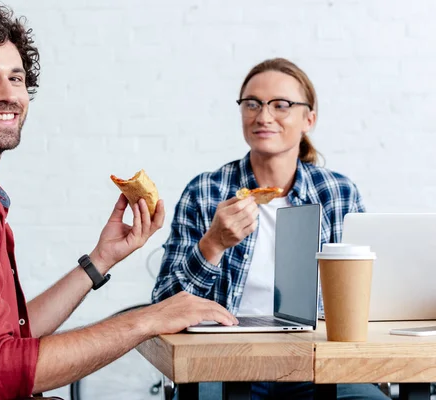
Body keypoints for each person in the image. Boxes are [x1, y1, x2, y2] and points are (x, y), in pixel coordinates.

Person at [0, 4, 238, 400]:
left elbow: (13, 335)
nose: (8, 95)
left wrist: (100, 261)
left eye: (16, 78)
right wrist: (148, 319)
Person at [152, 58, 388, 399]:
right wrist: (212, 245)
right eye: (252, 104)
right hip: (223, 363)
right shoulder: (205, 191)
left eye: (281, 105)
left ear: (309, 119)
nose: (263, 116)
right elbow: (162, 303)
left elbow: (369, 300)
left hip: (318, 362)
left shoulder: (338, 193)